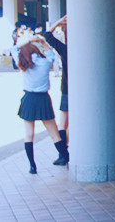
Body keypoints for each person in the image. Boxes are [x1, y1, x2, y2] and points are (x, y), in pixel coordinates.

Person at [11, 36, 69, 174]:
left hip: (29, 99)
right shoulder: (45, 63)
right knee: (54, 134)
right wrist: (42, 41)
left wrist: (28, 40)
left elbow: (13, 48)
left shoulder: (23, 63)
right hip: (43, 99)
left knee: (29, 134)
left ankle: (32, 166)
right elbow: (51, 54)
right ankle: (68, 158)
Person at [43, 15, 69, 163]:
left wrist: (58, 23)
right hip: (84, 92)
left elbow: (47, 35)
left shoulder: (65, 49)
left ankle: (63, 155)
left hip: (67, 90)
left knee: (63, 123)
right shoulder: (86, 51)